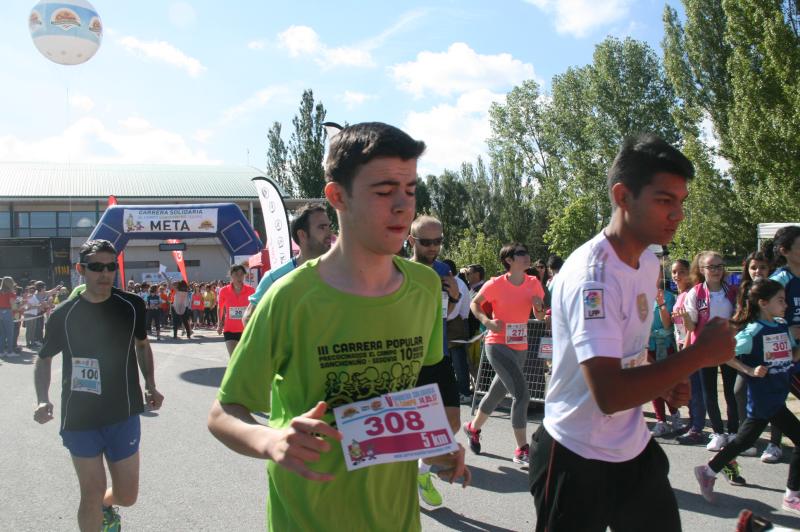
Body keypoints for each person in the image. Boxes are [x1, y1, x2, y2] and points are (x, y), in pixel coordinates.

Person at [207, 122, 469, 531]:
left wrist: (436, 444)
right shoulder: (290, 297)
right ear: (337, 197)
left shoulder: (423, 287)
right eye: (384, 191)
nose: (403, 206)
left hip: (396, 517)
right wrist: (270, 440)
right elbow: (223, 413)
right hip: (308, 517)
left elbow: (410, 393)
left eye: (410, 190)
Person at [529, 133, 736, 531]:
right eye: (665, 200)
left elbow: (625, 355)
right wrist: (697, 355)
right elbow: (609, 394)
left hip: (632, 448)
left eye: (681, 202)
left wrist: (663, 381)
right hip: (575, 453)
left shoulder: (647, 262)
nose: (678, 214)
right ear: (623, 196)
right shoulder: (595, 277)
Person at [34, 239, 164, 532]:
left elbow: (142, 345)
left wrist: (151, 384)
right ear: (81, 269)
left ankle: (108, 506)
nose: (104, 273)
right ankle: (97, 512)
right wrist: (42, 398)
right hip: (80, 417)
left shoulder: (131, 305)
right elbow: (43, 359)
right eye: (96, 267)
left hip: (124, 412)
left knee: (128, 496)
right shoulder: (64, 314)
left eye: (110, 267)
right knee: (90, 493)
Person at [694, 278, 800, 516]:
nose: (785, 305)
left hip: (777, 396)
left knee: (743, 441)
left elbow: (792, 357)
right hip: (765, 400)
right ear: (763, 303)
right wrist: (749, 370)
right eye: (780, 300)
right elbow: (723, 354)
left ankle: (708, 471)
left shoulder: (782, 325)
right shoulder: (753, 332)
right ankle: (792, 495)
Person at [463, 242, 545, 464]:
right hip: (497, 345)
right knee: (522, 395)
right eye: (521, 253)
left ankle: (472, 428)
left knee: (496, 393)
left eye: (527, 252)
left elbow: (539, 317)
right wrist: (487, 321)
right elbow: (474, 304)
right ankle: (522, 449)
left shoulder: (533, 283)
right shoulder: (495, 284)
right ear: (509, 260)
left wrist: (538, 307)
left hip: (520, 347)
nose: (527, 256)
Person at [407, 214, 465, 507]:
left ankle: (420, 470)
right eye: (426, 242)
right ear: (411, 241)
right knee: (415, 427)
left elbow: (449, 315)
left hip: (439, 355)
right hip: (410, 360)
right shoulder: (400, 270)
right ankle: (409, 472)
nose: (433, 247)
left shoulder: (444, 271)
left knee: (452, 422)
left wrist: (453, 297)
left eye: (438, 241)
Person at [241, 203, 333, 327]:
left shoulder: (338, 273)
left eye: (329, 226)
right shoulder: (274, 278)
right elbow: (249, 318)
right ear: (302, 234)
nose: (329, 232)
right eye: (322, 227)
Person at [684, 250, 739, 451]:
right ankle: (717, 433)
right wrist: (685, 318)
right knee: (710, 392)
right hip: (705, 349)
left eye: (719, 266)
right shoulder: (695, 293)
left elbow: (740, 318)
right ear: (701, 269)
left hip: (729, 347)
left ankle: (733, 432)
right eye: (711, 267)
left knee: (731, 392)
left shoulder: (732, 291)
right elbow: (691, 326)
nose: (716, 270)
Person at [768, 225, 800, 463]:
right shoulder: (780, 280)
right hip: (788, 357)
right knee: (760, 414)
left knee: (755, 423)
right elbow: (765, 317)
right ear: (784, 251)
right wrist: (789, 332)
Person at [648, 267, 682, 437]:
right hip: (648, 346)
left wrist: (661, 304)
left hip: (665, 345)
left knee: (668, 382)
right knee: (652, 385)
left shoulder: (669, 296)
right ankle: (661, 421)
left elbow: (668, 324)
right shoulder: (639, 296)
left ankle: (675, 415)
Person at [216, 265, 255, 356]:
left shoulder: (251, 290)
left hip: (246, 330)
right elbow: (220, 307)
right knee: (233, 358)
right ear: (231, 276)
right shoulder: (224, 291)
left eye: (241, 274)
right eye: (236, 274)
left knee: (244, 358)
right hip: (230, 330)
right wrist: (219, 323)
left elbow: (255, 308)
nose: (239, 277)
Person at [0, 276, 16, 357]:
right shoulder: (11, 293)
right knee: (10, 333)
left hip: (0, 312)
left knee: (2, 334)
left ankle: (1, 352)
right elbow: (13, 305)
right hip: (8, 312)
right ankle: (10, 352)